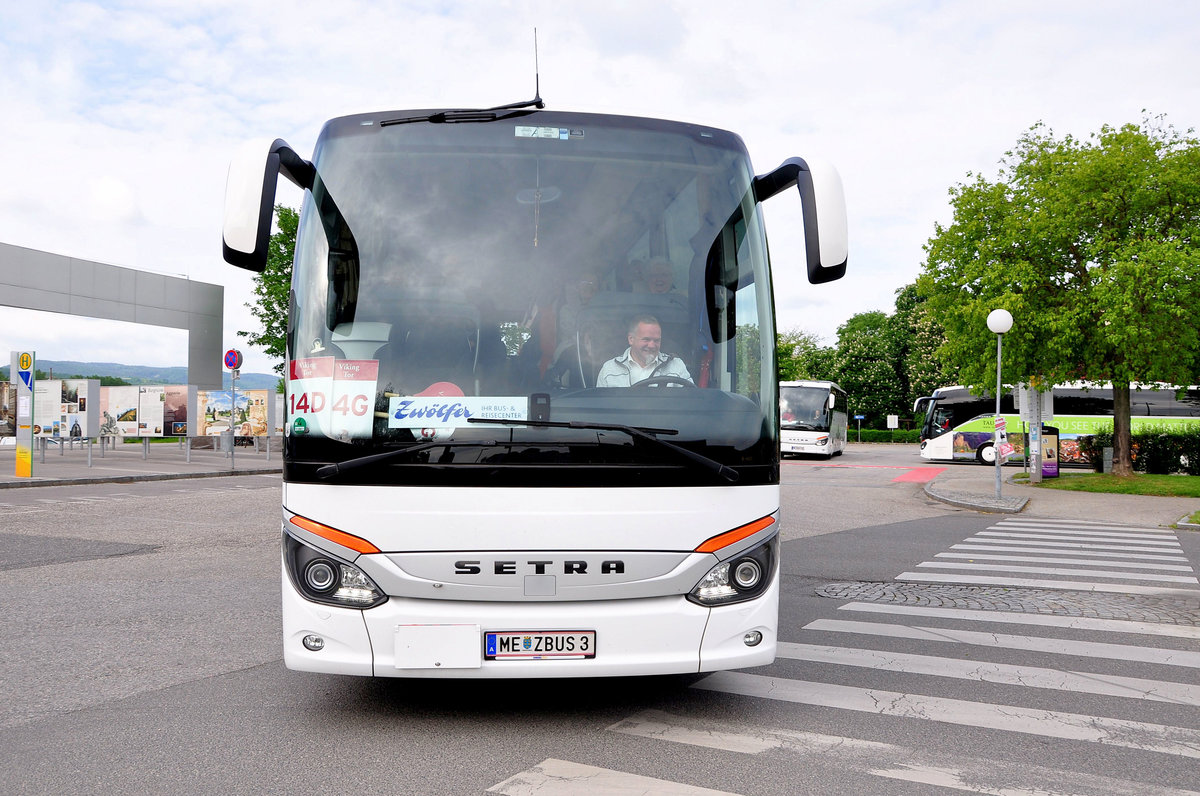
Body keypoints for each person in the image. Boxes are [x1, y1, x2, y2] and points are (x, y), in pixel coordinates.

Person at [596, 315, 692, 387]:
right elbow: (600, 409)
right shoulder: (609, 370)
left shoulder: (676, 366)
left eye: (656, 340)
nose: (651, 345)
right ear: (631, 339)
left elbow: (691, 402)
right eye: (646, 339)